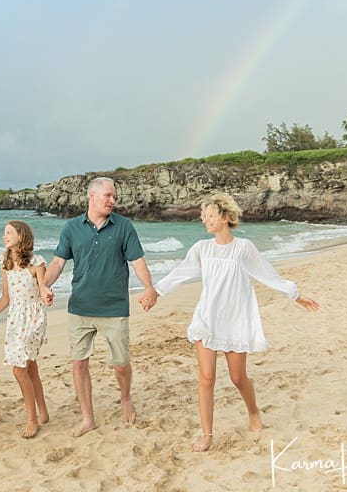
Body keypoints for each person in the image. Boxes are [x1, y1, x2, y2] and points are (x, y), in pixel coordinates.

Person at [153, 193, 320, 452]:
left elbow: (267, 274)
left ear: (226, 217)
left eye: (210, 215)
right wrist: (156, 291)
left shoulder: (244, 248)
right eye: (203, 216)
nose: (205, 220)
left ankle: (253, 411)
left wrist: (295, 295)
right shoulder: (201, 249)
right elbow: (181, 273)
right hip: (207, 319)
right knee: (206, 378)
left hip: (234, 320)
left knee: (237, 377)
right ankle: (207, 434)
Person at [41, 176, 159, 437]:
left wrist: (149, 288)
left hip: (114, 308)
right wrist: (44, 286)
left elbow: (137, 261)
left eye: (114, 196)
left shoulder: (124, 226)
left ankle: (126, 397)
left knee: (120, 363)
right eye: (108, 195)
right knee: (79, 363)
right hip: (80, 307)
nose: (113, 200)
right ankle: (87, 419)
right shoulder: (71, 228)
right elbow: (58, 263)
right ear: (92, 196)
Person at [0, 220, 51, 438]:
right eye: (4, 232)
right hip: (15, 319)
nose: (4, 236)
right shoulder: (4, 261)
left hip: (34, 318)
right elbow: (6, 297)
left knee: (19, 369)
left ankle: (31, 420)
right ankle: (43, 412)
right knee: (30, 367)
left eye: (8, 232)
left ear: (21, 235)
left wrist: (47, 295)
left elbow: (43, 288)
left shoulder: (36, 262)